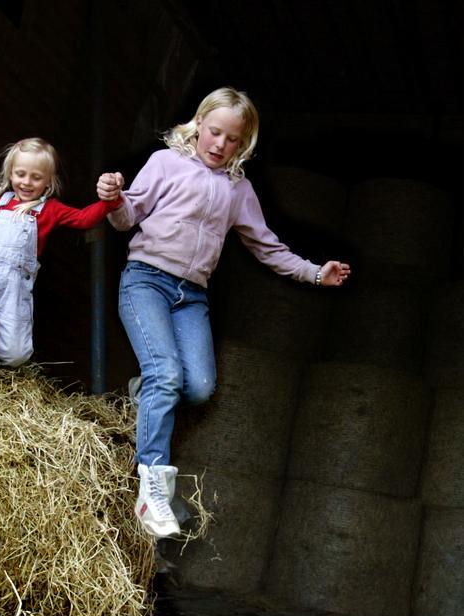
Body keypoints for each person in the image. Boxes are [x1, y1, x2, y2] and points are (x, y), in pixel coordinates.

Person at [96, 87, 351, 539]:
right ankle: (151, 489)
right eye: (215, 132)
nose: (220, 145)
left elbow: (265, 246)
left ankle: (146, 387)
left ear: (244, 142)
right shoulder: (166, 163)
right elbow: (126, 216)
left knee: (198, 387)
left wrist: (314, 273)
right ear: (198, 124)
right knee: (168, 376)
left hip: (191, 296)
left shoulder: (238, 189)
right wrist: (115, 197)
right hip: (146, 281)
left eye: (233, 139)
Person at [0, 137, 123, 426]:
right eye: (20, 174)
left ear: (48, 182)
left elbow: (84, 219)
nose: (26, 182)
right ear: (10, 173)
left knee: (16, 352)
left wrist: (109, 201)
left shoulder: (49, 209)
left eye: (36, 177)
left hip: (14, 283)